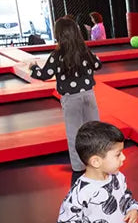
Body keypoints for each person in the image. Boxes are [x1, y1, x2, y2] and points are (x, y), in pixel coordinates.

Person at [28, 18, 102, 183]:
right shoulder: (84, 50)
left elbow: (44, 74)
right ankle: (98, 161)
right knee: (94, 129)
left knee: (74, 133)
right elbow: (98, 65)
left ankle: (78, 167)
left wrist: (33, 68)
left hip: (70, 99)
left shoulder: (57, 55)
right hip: (89, 95)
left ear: (59, 35)